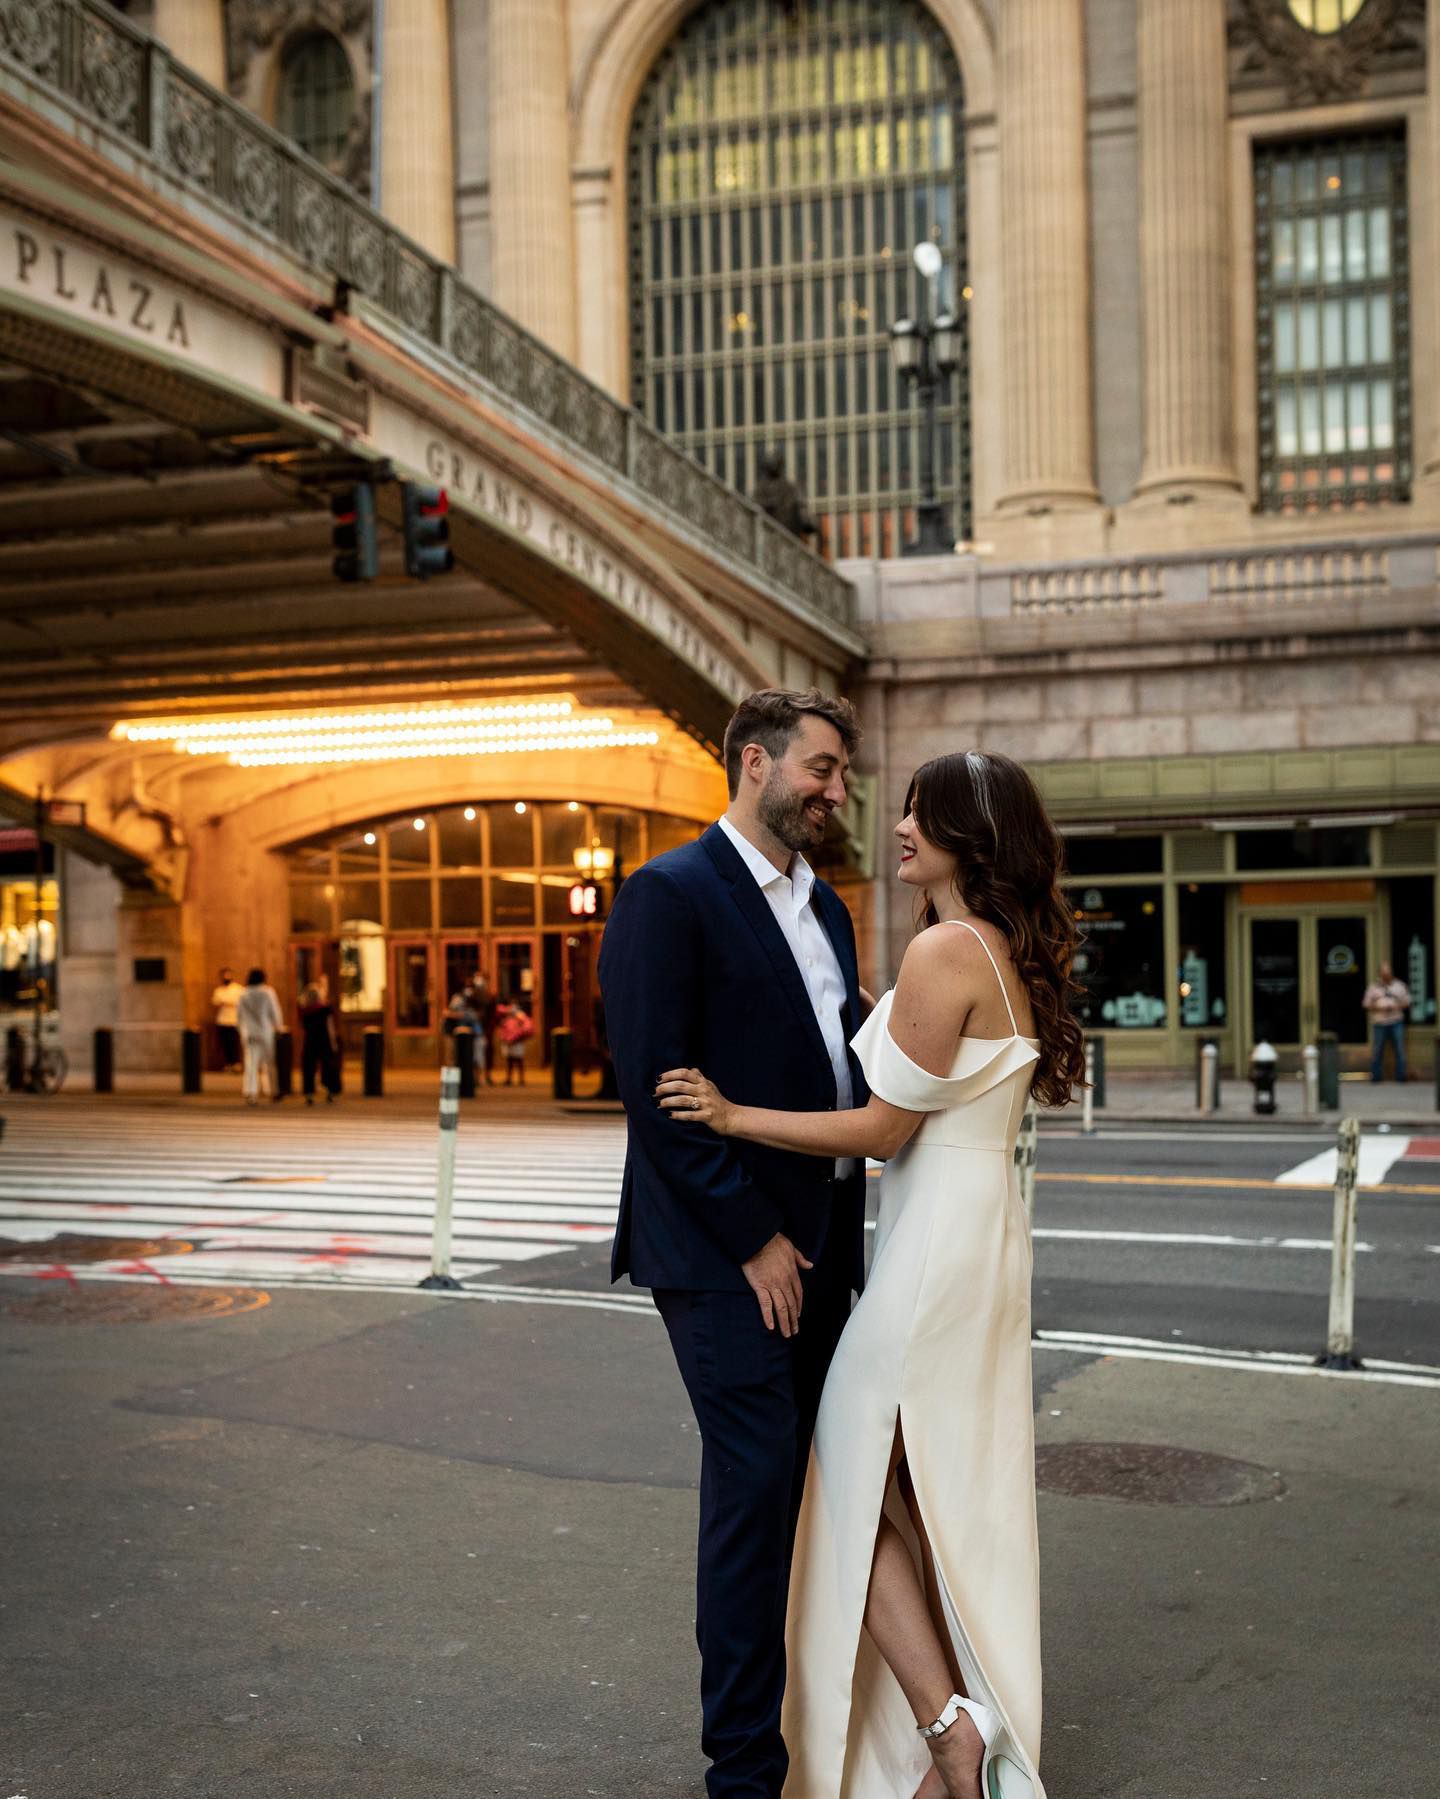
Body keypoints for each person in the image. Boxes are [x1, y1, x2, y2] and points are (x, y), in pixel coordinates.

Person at [656, 750, 1086, 1799]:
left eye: (919, 813)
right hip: (975, 1232)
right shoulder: (999, 949)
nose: (896, 825)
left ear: (969, 836)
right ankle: (954, 1723)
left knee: (853, 1465)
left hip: (937, 1242)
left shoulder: (949, 949)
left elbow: (886, 1129)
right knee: (902, 1482)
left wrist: (732, 1113)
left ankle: (947, 1725)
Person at [599, 687, 867, 1799]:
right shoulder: (670, 895)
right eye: (822, 769)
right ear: (753, 763)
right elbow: (657, 1092)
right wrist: (756, 1236)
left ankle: (825, 1729)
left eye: (843, 773)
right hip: (726, 1258)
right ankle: (744, 1773)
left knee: (821, 1485)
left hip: (829, 1244)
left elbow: (844, 1053)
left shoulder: (829, 904)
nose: (837, 790)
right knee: (754, 1496)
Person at [236, 966, 284, 1106]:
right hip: (265, 1031)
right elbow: (275, 1011)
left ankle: (251, 1093)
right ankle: (272, 1091)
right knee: (269, 1062)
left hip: (250, 1032)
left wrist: (241, 1030)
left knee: (251, 1063)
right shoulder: (268, 992)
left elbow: (239, 1016)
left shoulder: (243, 994)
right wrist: (279, 1027)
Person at [1363, 959, 1411, 1082]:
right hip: (1379, 1022)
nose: (1386, 975)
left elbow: (1407, 1002)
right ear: (1380, 973)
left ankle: (1400, 1077)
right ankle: (1376, 1077)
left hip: (1396, 1021)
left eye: (1388, 972)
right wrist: (1378, 1007)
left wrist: (1396, 1007)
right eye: (1384, 972)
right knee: (1377, 1050)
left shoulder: (1399, 986)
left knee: (1400, 1050)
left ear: (1391, 973)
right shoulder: (1373, 987)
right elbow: (1366, 1004)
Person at [298, 981, 341, 1104]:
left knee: (309, 1067)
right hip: (324, 1040)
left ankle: (309, 1093)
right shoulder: (325, 1009)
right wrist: (333, 1042)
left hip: (310, 1041)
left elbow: (303, 1027)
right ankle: (330, 1091)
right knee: (327, 1066)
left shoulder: (304, 1011)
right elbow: (330, 1026)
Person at [211, 966, 244, 1072]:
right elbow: (216, 1002)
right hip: (222, 1021)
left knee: (234, 1043)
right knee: (225, 1044)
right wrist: (227, 1002)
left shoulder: (238, 989)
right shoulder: (219, 990)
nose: (226, 977)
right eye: (224, 975)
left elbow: (239, 1002)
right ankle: (228, 1063)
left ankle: (236, 1063)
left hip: (234, 1021)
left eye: (228, 974)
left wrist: (226, 1002)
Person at [497, 1001, 534, 1084]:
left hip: (517, 1042)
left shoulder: (521, 1016)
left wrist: (518, 1038)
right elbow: (503, 1028)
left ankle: (521, 1079)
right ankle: (509, 1078)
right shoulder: (506, 1016)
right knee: (509, 1060)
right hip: (508, 1042)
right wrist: (504, 1037)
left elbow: (527, 1028)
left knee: (519, 1060)